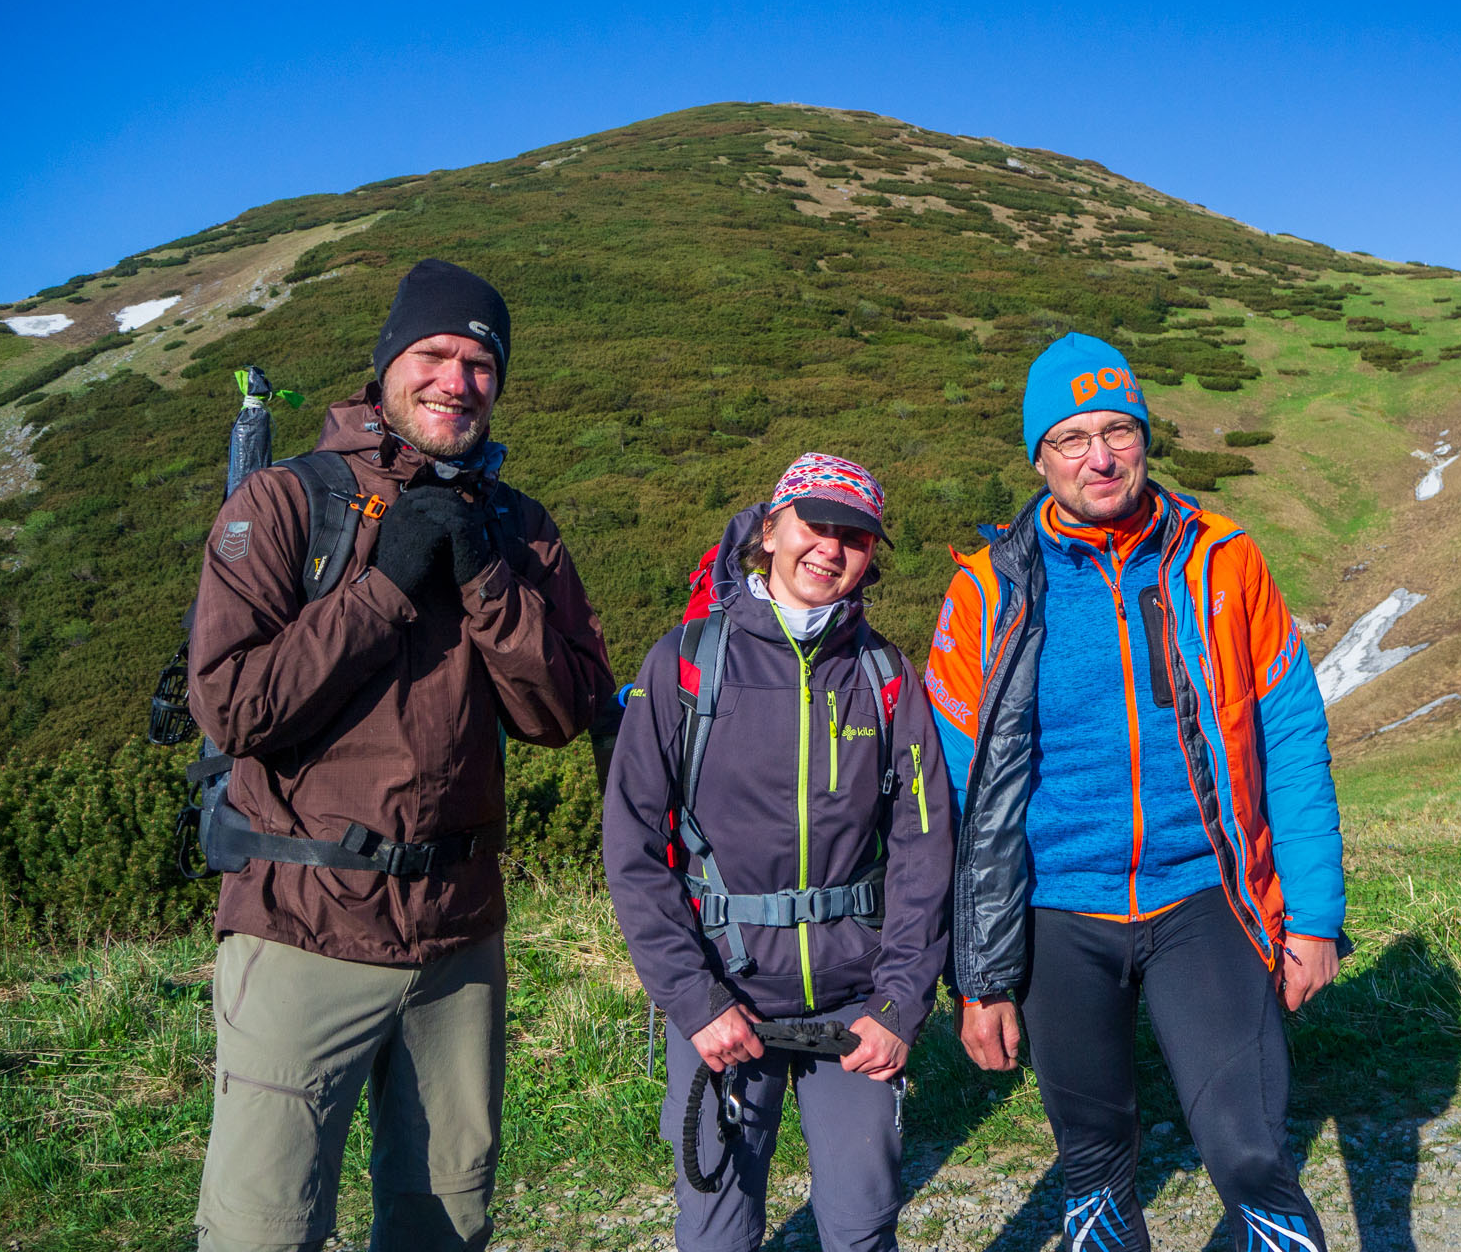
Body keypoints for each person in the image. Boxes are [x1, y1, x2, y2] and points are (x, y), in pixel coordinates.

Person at [188, 258, 613, 1251]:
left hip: (457, 938)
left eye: (481, 364)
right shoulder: (291, 502)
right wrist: (379, 593)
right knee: (262, 1226)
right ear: (387, 362)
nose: (456, 381)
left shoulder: (518, 528)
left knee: (444, 1222)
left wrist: (484, 579)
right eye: (435, 354)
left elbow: (562, 710)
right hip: (301, 927)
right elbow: (236, 705)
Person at [924, 333, 1347, 1252]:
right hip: (1055, 912)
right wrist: (977, 975)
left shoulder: (1224, 562)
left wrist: (1312, 917)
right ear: (1039, 458)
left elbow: (1294, 743)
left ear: (1148, 440)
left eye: (1119, 430)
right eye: (1073, 439)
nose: (1101, 456)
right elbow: (957, 800)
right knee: (1097, 1172)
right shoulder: (988, 589)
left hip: (1205, 896)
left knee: (1252, 1161)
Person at [603, 454, 955, 1252]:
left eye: (856, 537)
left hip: (855, 1008)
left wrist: (899, 1005)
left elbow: (923, 853)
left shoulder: (888, 677)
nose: (831, 549)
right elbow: (631, 848)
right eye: (815, 525)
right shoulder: (686, 663)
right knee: (717, 1233)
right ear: (770, 530)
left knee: (861, 1228)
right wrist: (694, 1002)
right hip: (724, 1003)